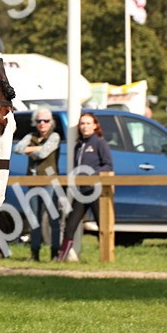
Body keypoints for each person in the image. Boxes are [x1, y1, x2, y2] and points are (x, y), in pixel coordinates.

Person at [56, 112, 114, 262]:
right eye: (82, 123)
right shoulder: (79, 145)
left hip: (96, 190)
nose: (85, 126)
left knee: (103, 224)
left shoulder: (100, 143)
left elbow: (108, 165)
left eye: (88, 123)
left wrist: (92, 175)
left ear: (95, 125)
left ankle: (107, 256)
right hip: (81, 192)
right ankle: (62, 257)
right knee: (70, 224)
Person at [13, 109, 62, 262]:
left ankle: (55, 253)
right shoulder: (30, 136)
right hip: (32, 182)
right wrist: (37, 148)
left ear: (51, 122)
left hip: (49, 182)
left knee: (54, 218)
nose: (42, 124)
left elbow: (43, 154)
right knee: (34, 219)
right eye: (39, 120)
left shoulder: (54, 136)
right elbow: (17, 148)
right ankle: (35, 254)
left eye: (46, 121)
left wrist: (30, 150)